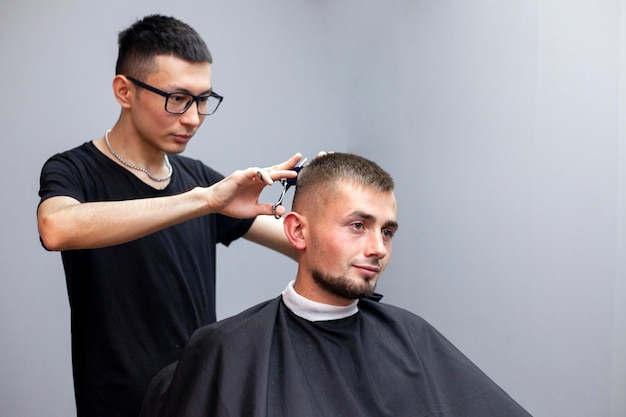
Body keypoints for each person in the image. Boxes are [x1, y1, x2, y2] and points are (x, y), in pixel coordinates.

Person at [37, 14, 302, 417]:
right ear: (125, 91)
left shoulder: (199, 181)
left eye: (202, 100)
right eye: (177, 99)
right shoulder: (74, 170)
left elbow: (300, 243)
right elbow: (56, 227)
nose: (193, 118)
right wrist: (204, 201)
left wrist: (329, 195)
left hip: (202, 401)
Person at [139, 152, 532, 417]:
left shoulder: (412, 338)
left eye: (388, 232)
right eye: (358, 226)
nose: (378, 248)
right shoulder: (224, 350)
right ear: (297, 231)